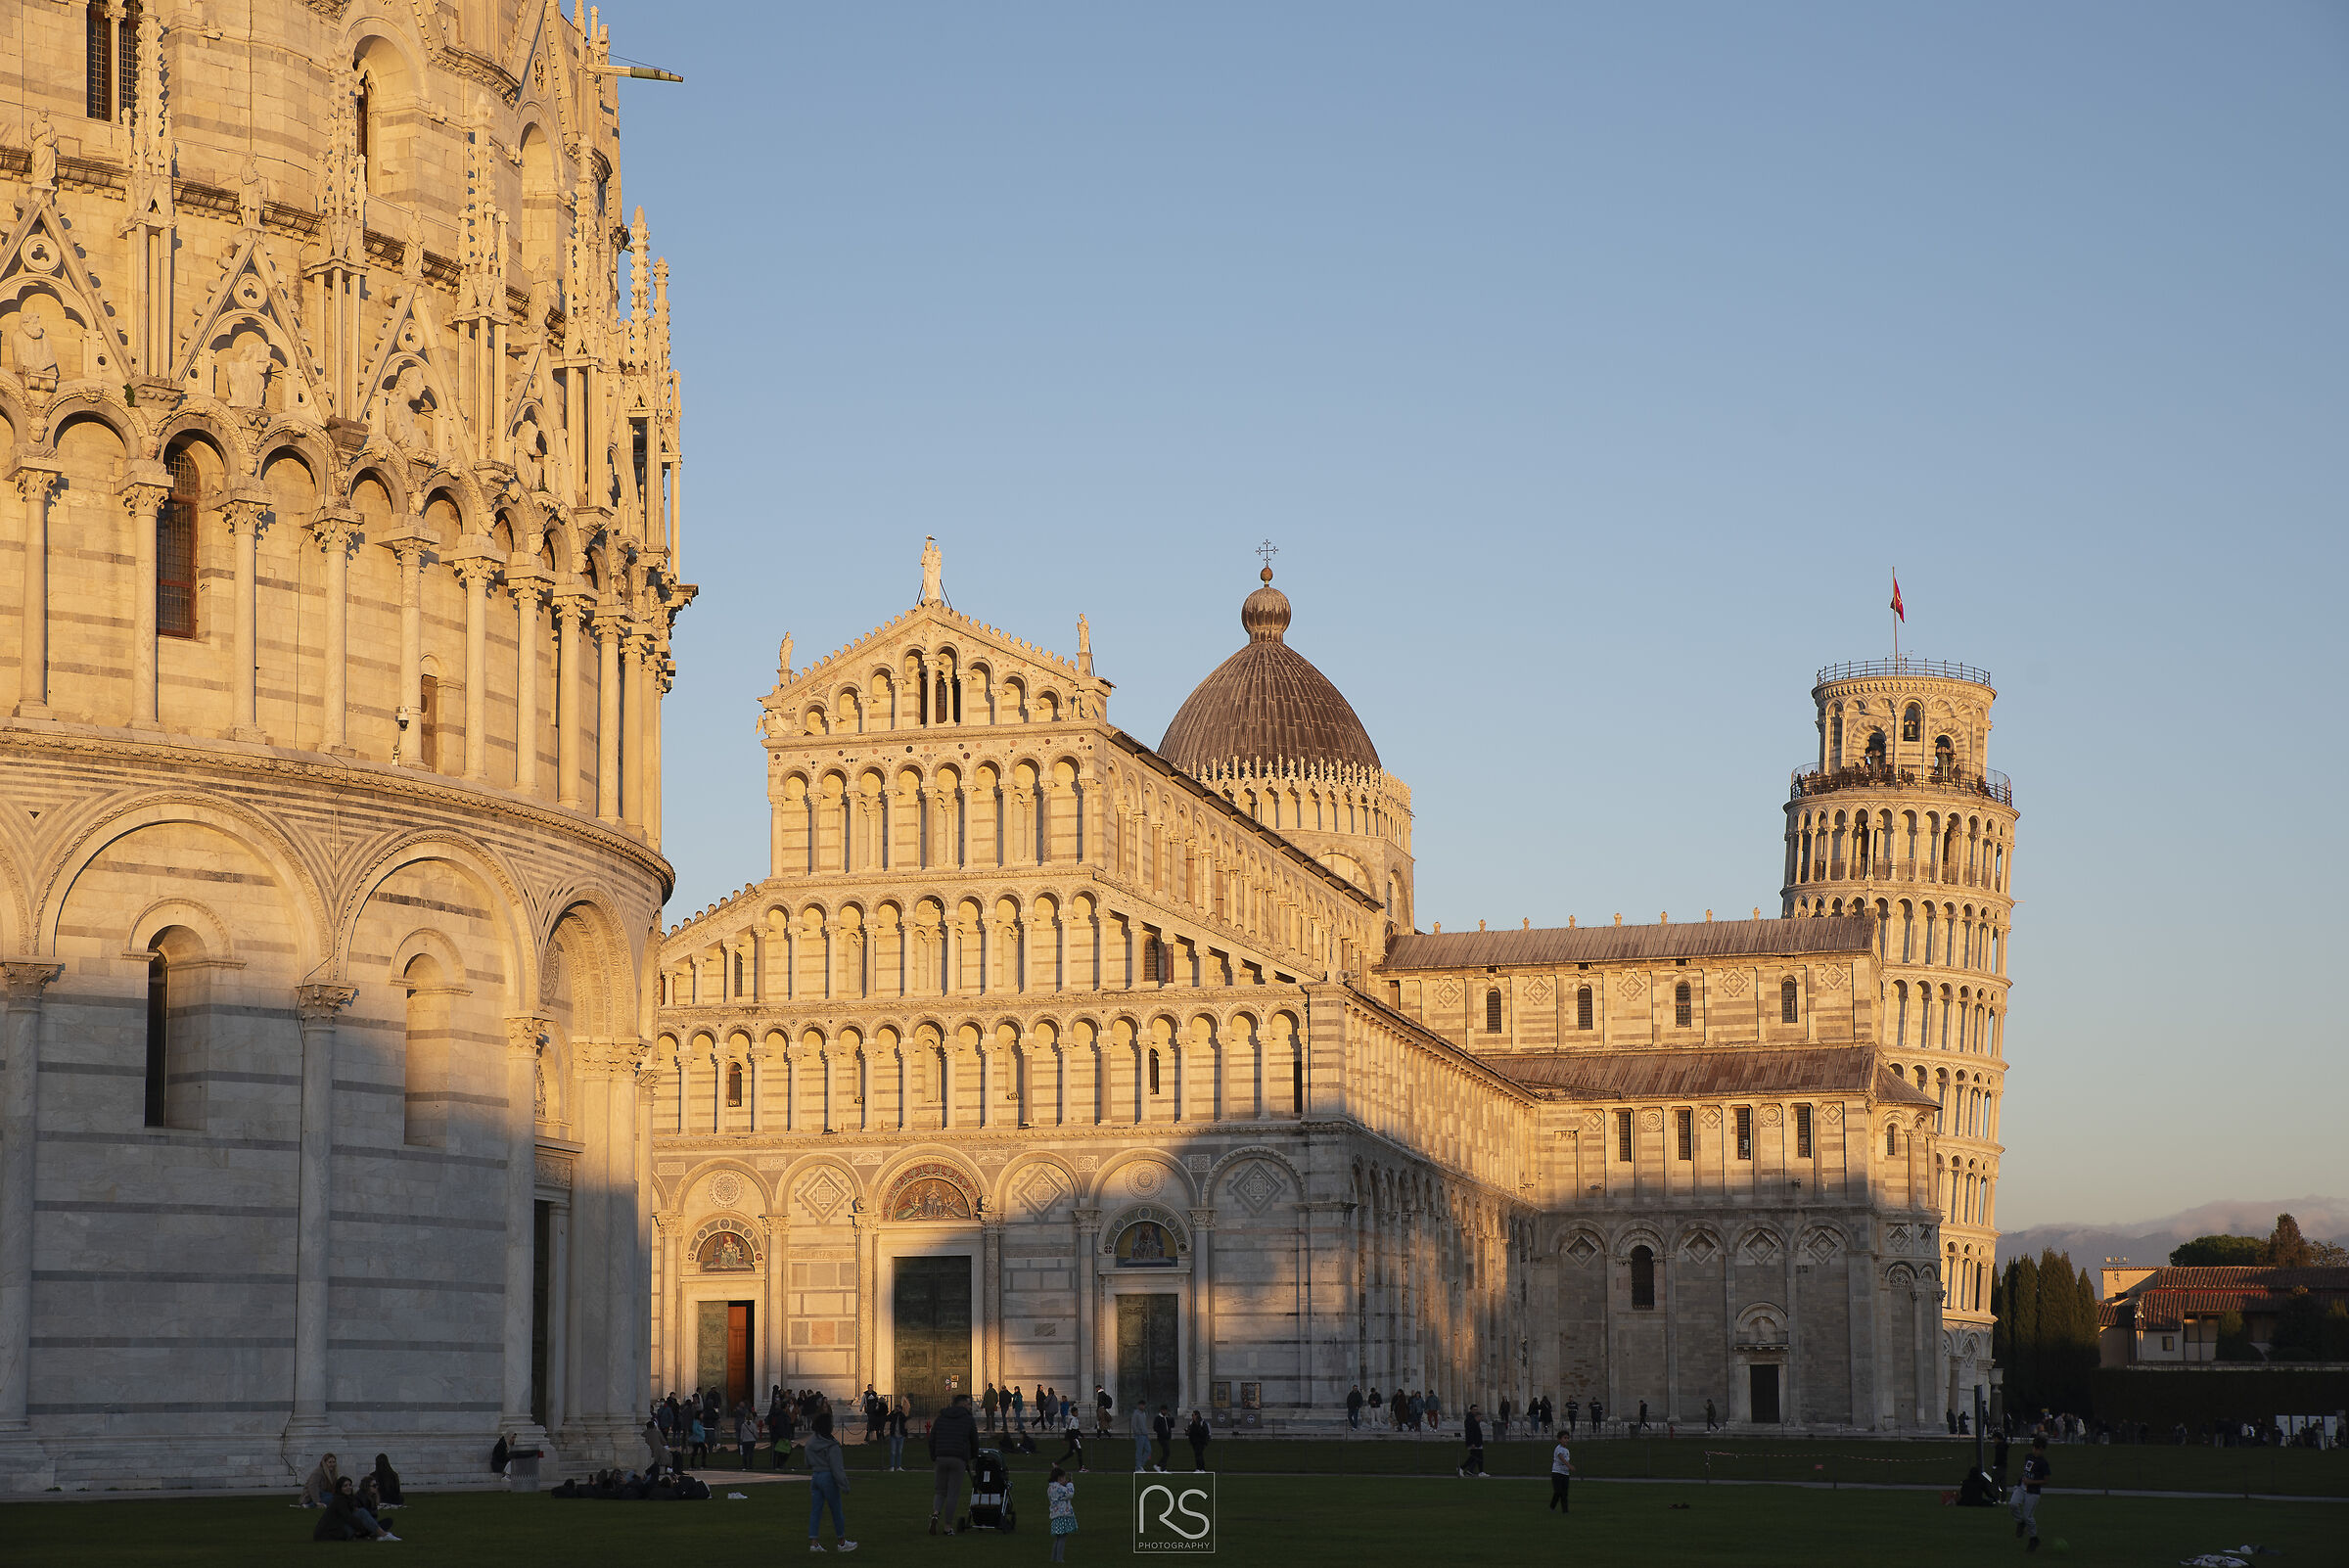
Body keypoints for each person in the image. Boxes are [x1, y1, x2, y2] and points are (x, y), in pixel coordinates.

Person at [806, 1407, 858, 1552]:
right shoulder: (832, 1445)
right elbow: (837, 1468)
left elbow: (807, 1462)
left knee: (816, 1511)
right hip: (828, 1477)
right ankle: (842, 1542)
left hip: (816, 1476)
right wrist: (845, 1485)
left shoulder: (811, 1442)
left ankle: (814, 1543)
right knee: (836, 1511)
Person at [930, 1391, 980, 1536]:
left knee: (940, 1491)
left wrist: (934, 1456)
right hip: (958, 1458)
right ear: (963, 1404)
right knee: (953, 1493)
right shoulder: (968, 1419)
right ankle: (947, 1527)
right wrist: (972, 1457)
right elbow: (974, 1441)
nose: (970, 1406)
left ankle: (935, 1513)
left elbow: (932, 1439)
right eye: (969, 1404)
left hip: (941, 1457)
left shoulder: (941, 1417)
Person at [314, 1475, 396, 1542]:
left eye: (350, 1485)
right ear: (340, 1488)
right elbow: (348, 1517)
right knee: (362, 1512)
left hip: (337, 1529)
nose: (349, 1487)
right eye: (345, 1486)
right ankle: (383, 1535)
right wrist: (363, 1529)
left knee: (380, 1520)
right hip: (331, 1534)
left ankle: (379, 1534)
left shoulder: (347, 1499)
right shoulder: (339, 1501)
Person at [2012, 1435, 2050, 1551]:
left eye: (2038, 1449)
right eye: (2034, 1448)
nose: (2035, 1450)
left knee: (2028, 1516)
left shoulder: (2043, 1463)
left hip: (2033, 1492)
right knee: (2013, 1504)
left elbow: (2046, 1480)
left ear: (2042, 1450)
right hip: (2021, 1487)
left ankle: (2034, 1538)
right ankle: (2020, 1522)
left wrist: (2031, 1482)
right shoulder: (2028, 1456)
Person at [1046, 1464, 1079, 1563]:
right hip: (1063, 1515)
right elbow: (1070, 1493)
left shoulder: (1051, 1488)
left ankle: (1053, 1558)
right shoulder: (1059, 1488)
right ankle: (1059, 1559)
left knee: (1058, 1538)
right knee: (1062, 1538)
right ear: (1059, 1478)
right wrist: (1070, 1484)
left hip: (1056, 1516)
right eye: (1064, 1478)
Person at [1548, 1432, 1574, 1514]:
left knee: (1564, 1493)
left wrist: (1568, 1467)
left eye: (1568, 1438)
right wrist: (1569, 1466)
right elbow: (1562, 1458)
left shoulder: (1567, 1450)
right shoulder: (1558, 1448)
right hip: (1557, 1473)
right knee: (1558, 1491)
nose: (1567, 1440)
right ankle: (1552, 1507)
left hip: (1565, 1474)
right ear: (1559, 1439)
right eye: (1565, 1438)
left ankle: (1565, 1511)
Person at [1060, 1401, 1088, 1471]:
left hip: (1074, 1437)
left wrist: (1082, 1435)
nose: (1077, 1413)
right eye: (1076, 1412)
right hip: (1074, 1438)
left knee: (1070, 1453)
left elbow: (1076, 1429)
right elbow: (1069, 1429)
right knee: (1079, 1451)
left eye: (1077, 1412)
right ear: (1073, 1413)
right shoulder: (1072, 1419)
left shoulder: (1075, 1419)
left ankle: (1056, 1463)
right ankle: (1081, 1468)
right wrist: (1065, 1439)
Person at [887, 1396, 910, 1472]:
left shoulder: (902, 1415)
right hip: (894, 1435)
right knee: (893, 1452)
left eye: (898, 1409)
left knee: (899, 1452)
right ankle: (892, 1466)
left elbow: (905, 1419)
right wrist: (893, 1412)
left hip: (900, 1436)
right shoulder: (893, 1415)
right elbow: (888, 1418)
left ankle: (898, 1466)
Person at [1460, 1407, 1486, 1477]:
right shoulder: (1471, 1422)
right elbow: (1470, 1433)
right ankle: (1462, 1468)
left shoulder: (1475, 1422)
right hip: (1475, 1443)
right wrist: (1472, 1443)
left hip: (1478, 1443)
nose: (1481, 1418)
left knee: (1479, 1457)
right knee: (1474, 1457)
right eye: (1474, 1409)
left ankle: (1479, 1472)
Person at [1129, 1404, 1152, 1472]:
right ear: (1139, 1406)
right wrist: (1137, 1432)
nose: (1143, 1407)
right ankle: (1138, 1467)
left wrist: (1146, 1432)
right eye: (1141, 1405)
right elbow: (1133, 1424)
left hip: (1145, 1435)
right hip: (1139, 1435)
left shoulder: (1144, 1414)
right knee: (1139, 1451)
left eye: (1144, 1405)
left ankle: (1140, 1466)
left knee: (1149, 1450)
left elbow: (1144, 1424)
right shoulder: (1136, 1414)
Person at [1152, 1406, 1174, 1472]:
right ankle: (1162, 1468)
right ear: (1161, 1410)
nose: (1165, 1412)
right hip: (1161, 1438)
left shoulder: (1166, 1418)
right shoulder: (1158, 1418)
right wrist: (1162, 1433)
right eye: (1164, 1410)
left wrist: (1171, 1418)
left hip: (1167, 1437)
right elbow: (1155, 1428)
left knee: (1166, 1453)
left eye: (1166, 1410)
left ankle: (1159, 1465)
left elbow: (1172, 1425)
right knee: (1167, 1452)